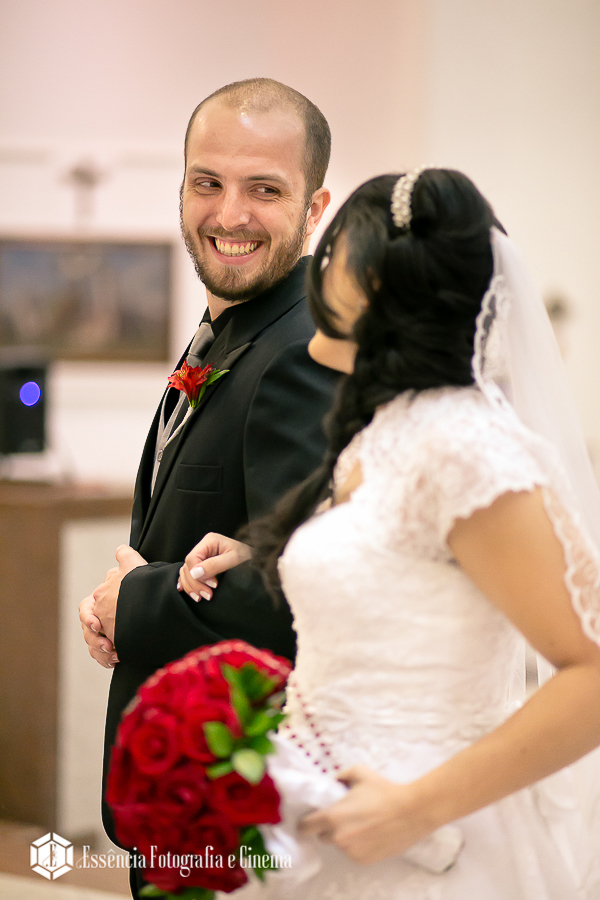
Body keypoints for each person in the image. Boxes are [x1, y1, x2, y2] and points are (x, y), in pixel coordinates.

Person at [179, 168, 600, 898]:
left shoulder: (464, 446)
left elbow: (591, 673)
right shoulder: (385, 433)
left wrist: (415, 808)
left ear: (380, 285)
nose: (319, 274)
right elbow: (407, 573)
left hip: (424, 830)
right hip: (320, 815)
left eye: (335, 252)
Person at [78, 77, 339, 896]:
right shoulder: (231, 329)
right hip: (173, 795)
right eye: (207, 183)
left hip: (236, 817)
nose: (229, 215)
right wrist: (118, 604)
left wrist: (141, 602)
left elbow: (301, 591)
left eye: (265, 189)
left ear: (315, 206)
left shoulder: (301, 356)